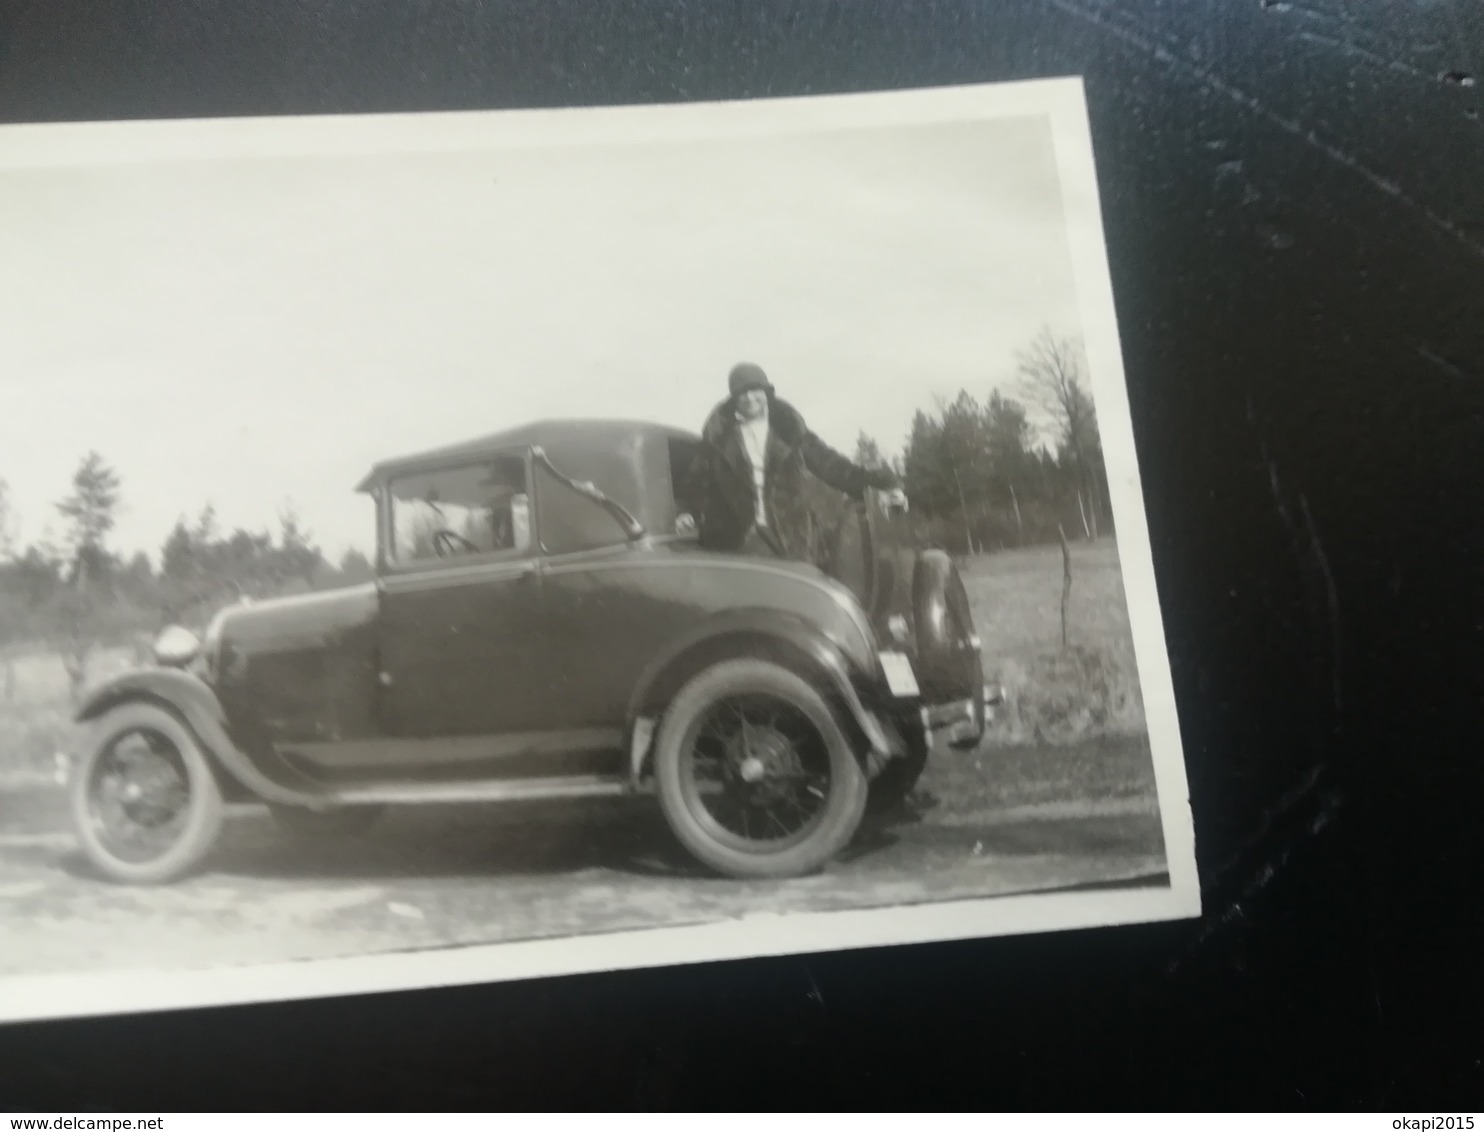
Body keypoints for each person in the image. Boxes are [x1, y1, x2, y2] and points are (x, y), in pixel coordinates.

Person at [696, 361, 907, 564]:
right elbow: (697, 481)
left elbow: (832, 466)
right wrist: (685, 513)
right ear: (733, 399)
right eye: (742, 392)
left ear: (767, 393)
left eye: (755, 389)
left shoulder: (791, 432)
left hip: (790, 539)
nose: (749, 398)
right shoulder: (718, 439)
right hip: (736, 543)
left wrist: (883, 483)